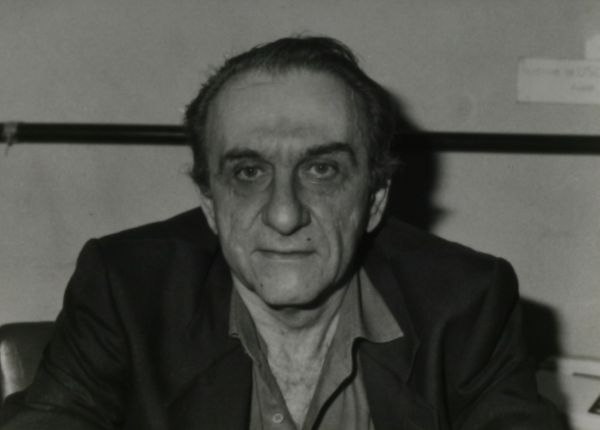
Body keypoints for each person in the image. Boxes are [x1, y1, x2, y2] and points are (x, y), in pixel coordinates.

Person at [0, 36, 564, 430]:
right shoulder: (126, 288)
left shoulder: (465, 301)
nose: (285, 215)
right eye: (249, 173)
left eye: (322, 170)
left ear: (374, 202)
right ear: (210, 204)